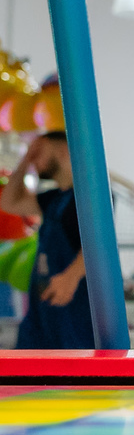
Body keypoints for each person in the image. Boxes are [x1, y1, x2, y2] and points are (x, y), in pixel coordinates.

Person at [0, 131, 93, 349]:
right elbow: (9, 203)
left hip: (72, 314)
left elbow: (99, 249)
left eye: (39, 151)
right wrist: (25, 160)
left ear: (62, 151)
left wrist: (71, 276)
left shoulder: (90, 196)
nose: (35, 158)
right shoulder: (54, 198)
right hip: (42, 314)